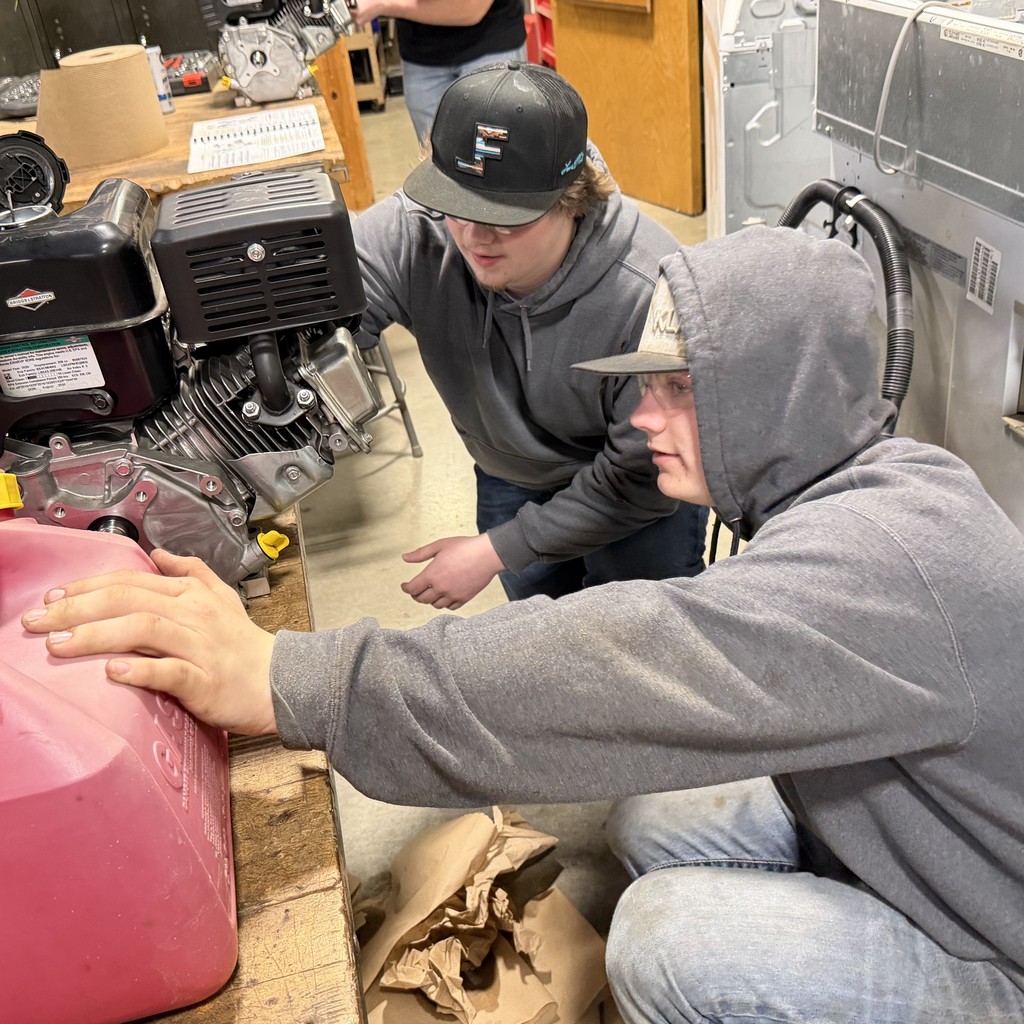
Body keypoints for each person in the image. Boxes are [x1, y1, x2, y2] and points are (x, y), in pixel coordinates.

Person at [20, 226, 1024, 1022]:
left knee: (665, 937)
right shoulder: (877, 484)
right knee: (650, 815)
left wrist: (297, 678)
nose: (641, 418)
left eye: (681, 390)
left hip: (999, 944)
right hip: (936, 848)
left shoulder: (887, 569)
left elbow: (623, 660)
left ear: (775, 398)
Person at [349, 60, 708, 608]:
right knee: (540, 634)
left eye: (503, 215)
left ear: (571, 196)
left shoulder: (648, 291)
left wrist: (495, 550)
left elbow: (640, 479)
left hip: (636, 489)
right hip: (509, 472)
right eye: (456, 206)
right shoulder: (420, 232)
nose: (473, 236)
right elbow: (328, 292)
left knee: (639, 646)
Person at [352, 1, 527, 142]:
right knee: (437, 164)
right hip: (421, 53)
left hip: (488, 44)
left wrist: (383, 5)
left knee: (494, 163)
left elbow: (470, 9)